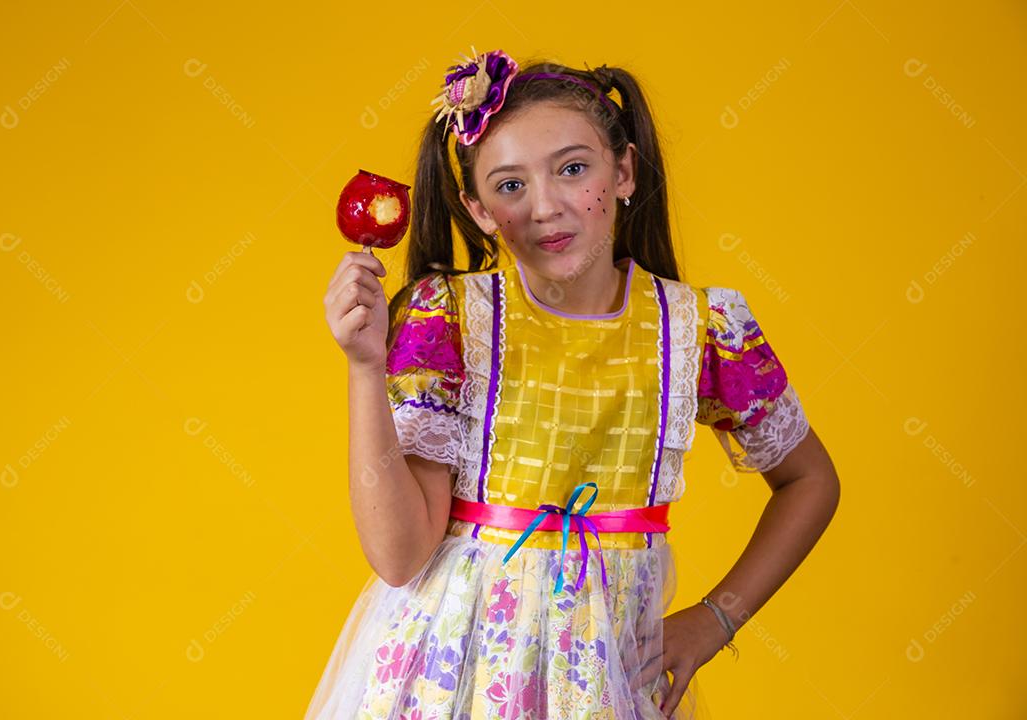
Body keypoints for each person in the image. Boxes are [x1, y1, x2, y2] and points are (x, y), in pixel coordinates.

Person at [313, 46, 840, 719]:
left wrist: (715, 619)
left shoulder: (700, 330)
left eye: (572, 169)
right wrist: (365, 367)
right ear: (478, 210)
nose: (545, 205)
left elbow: (812, 480)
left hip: (610, 679)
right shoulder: (450, 320)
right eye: (510, 186)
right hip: (450, 677)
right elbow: (397, 556)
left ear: (622, 171)